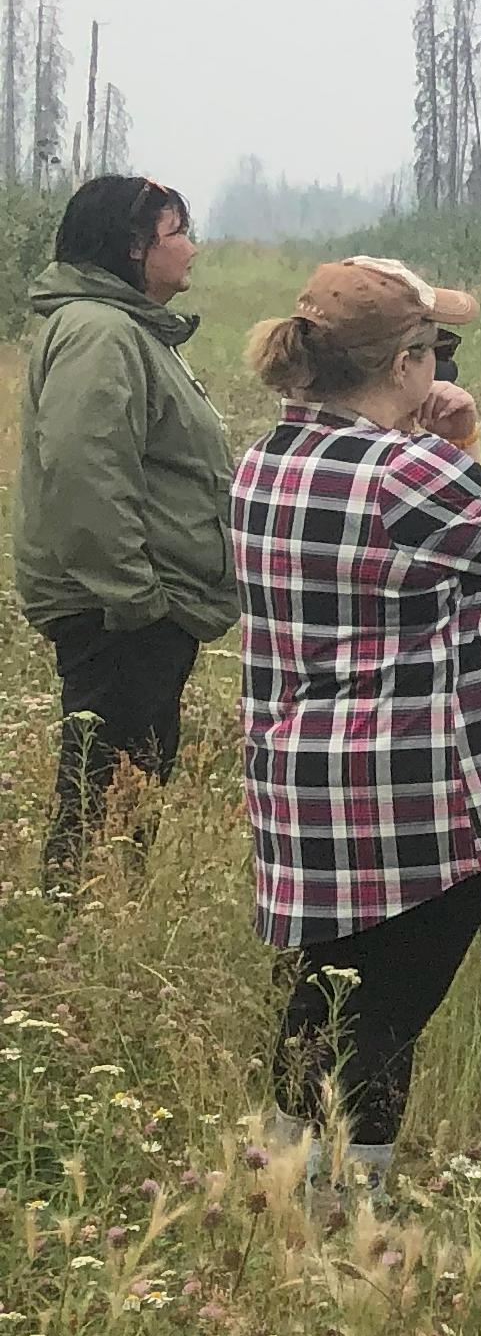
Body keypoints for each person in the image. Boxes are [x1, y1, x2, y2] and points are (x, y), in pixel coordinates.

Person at [232, 257, 481, 1200]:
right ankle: (343, 1218)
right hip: (413, 800)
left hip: (302, 783)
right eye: (437, 347)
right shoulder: (407, 469)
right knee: (386, 1022)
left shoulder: (266, 458)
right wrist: (457, 447)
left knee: (320, 1002)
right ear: (408, 362)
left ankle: (281, 1198)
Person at [16, 174, 234, 887]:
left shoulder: (123, 328)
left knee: (124, 790)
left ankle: (103, 916)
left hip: (135, 607)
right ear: (136, 247)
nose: (192, 251)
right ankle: (80, 926)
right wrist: (139, 600)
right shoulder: (101, 333)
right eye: (178, 235)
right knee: (102, 795)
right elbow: (87, 472)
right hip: (119, 613)